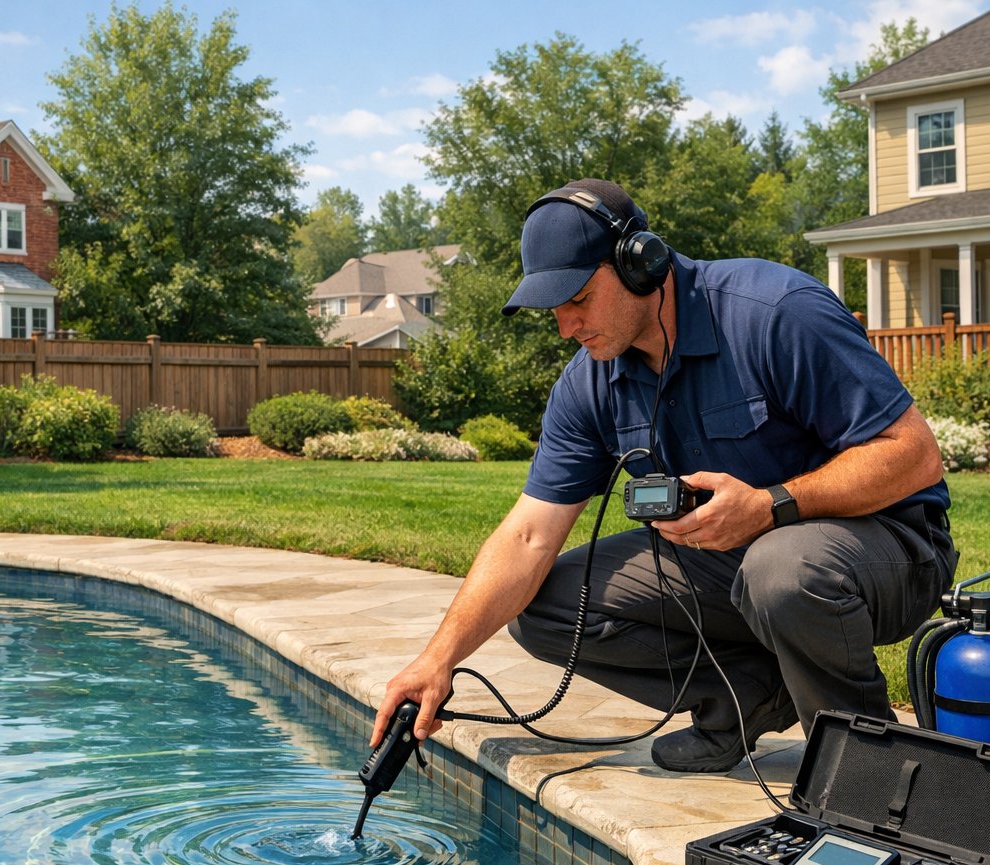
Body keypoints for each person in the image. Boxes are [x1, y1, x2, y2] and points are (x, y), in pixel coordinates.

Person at [369, 178, 958, 773]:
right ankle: (747, 697)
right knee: (542, 605)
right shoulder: (590, 382)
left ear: (639, 263)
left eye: (578, 299)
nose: (566, 327)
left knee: (781, 566)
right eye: (554, 311)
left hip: (888, 548)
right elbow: (528, 536)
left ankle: (869, 770)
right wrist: (437, 659)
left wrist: (772, 505)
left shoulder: (775, 312)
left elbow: (912, 454)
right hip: (736, 562)